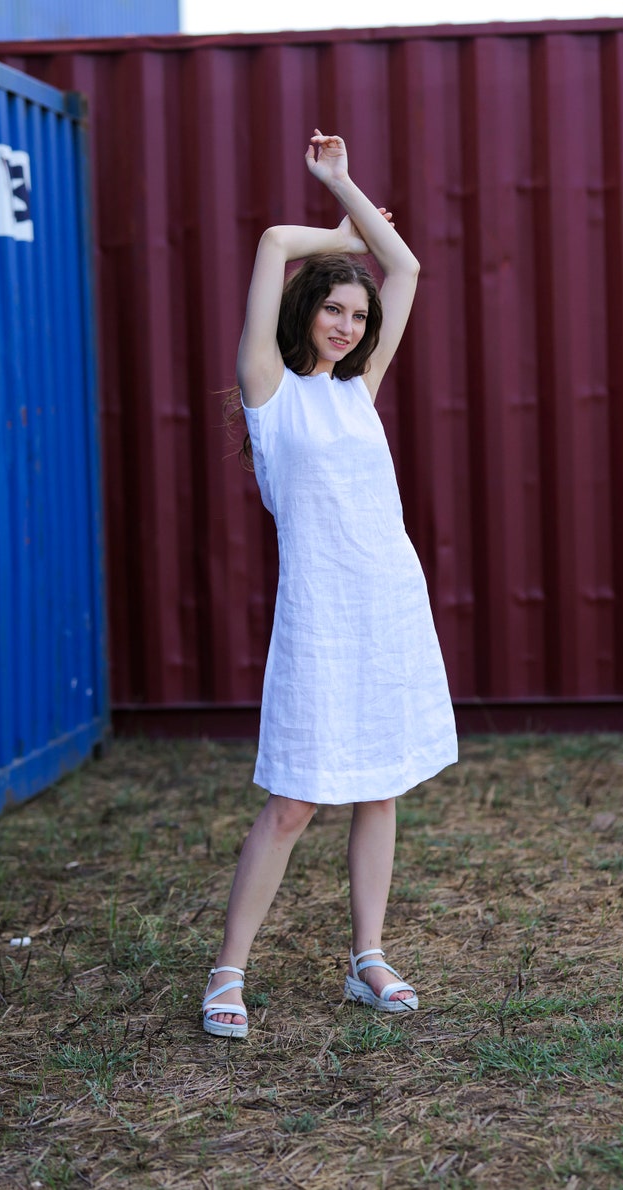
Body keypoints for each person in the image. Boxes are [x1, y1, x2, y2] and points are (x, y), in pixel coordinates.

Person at [203, 130, 457, 1039]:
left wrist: (351, 188)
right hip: (319, 616)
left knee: (379, 787)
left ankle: (369, 957)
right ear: (309, 311)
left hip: (389, 598)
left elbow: (410, 269)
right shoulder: (270, 390)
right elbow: (274, 244)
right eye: (336, 310)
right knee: (295, 800)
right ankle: (227, 972)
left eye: (359, 314)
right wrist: (335, 217)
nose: (350, 325)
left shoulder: (361, 389)